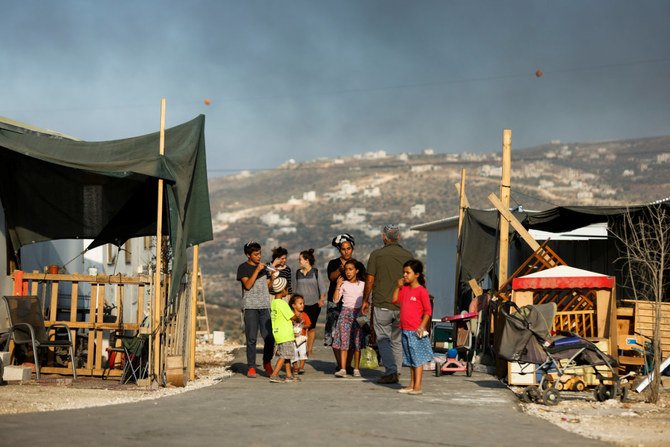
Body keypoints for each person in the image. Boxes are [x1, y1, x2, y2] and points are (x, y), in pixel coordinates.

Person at [362, 224, 413, 384]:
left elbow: (370, 280)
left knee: (383, 338)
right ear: (399, 237)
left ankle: (391, 371)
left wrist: (365, 300)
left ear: (384, 237)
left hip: (382, 303)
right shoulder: (408, 255)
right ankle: (396, 371)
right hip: (402, 305)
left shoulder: (376, 255)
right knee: (397, 340)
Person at [392, 259, 433, 395]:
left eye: (408, 272)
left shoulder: (421, 291)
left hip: (415, 330)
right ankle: (411, 384)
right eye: (404, 272)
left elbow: (428, 311)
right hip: (404, 328)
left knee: (417, 359)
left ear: (416, 274)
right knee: (409, 359)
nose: (404, 275)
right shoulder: (405, 289)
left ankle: (418, 386)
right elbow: (394, 300)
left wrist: (422, 326)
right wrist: (397, 287)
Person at [236, 241, 274, 378]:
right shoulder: (243, 268)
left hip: (265, 306)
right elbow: (247, 285)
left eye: (260, 253)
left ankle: (267, 363)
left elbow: (268, 287)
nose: (259, 256)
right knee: (251, 338)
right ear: (248, 255)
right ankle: (251, 367)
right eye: (256, 254)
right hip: (250, 306)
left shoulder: (265, 268)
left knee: (269, 337)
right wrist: (257, 271)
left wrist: (273, 278)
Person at [326, 233, 355, 369]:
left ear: (352, 249)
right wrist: (340, 269)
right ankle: (340, 364)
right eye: (343, 249)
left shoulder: (356, 264)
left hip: (352, 304)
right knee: (334, 333)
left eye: (348, 248)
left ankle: (348, 364)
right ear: (339, 250)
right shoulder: (333, 263)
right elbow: (331, 277)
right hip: (335, 302)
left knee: (351, 334)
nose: (346, 251)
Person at [332, 259, 365, 377]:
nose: (348, 272)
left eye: (351, 269)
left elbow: (367, 300)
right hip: (345, 314)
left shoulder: (363, 285)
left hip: (358, 314)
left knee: (357, 342)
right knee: (344, 342)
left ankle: (356, 368)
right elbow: (335, 300)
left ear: (356, 270)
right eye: (346, 270)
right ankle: (343, 368)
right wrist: (338, 285)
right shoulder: (344, 284)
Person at [292, 248, 325, 357]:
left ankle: (309, 350)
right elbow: (296, 289)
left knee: (311, 327)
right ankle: (300, 348)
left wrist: (321, 300)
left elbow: (322, 288)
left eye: (300, 259)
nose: (299, 261)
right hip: (301, 306)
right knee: (299, 327)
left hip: (314, 305)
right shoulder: (298, 273)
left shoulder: (316, 272)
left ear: (307, 260)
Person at [269, 277, 301, 383]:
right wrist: (298, 316)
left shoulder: (274, 302)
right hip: (285, 334)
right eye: (287, 289)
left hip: (278, 333)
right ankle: (274, 374)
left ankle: (288, 375)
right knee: (284, 355)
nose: (288, 291)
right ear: (283, 290)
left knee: (287, 355)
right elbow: (292, 318)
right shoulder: (282, 304)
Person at [289, 294, 311, 375]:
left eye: (303, 303)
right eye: (300, 303)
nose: (302, 305)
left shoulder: (304, 315)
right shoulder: (291, 315)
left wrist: (303, 326)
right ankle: (295, 366)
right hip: (293, 338)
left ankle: (301, 367)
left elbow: (309, 324)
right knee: (293, 352)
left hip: (302, 338)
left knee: (303, 353)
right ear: (294, 305)